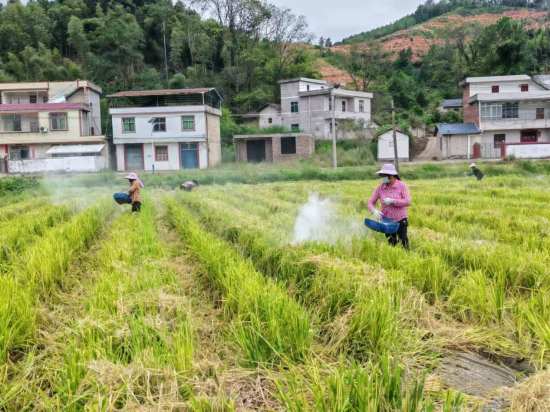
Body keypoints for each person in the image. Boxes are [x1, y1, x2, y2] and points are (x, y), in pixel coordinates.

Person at [367, 164, 411, 250]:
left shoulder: (401, 186)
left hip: (401, 219)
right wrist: (373, 211)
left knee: (404, 241)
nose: (382, 179)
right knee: (391, 243)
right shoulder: (380, 188)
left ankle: (407, 258)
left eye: (383, 176)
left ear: (390, 176)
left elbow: (407, 201)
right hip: (387, 221)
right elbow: (370, 202)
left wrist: (393, 201)